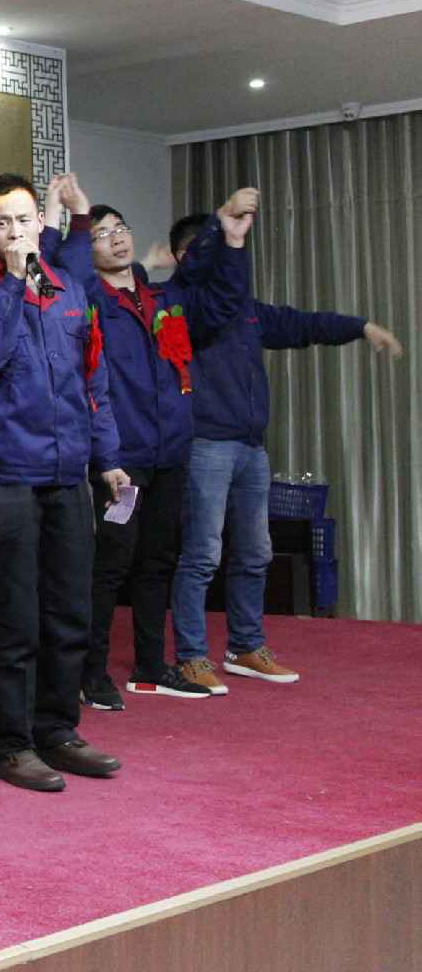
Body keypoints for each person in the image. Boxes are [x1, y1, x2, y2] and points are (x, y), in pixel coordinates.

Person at [167, 194, 403, 691]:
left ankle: (245, 646)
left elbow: (303, 324)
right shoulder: (182, 307)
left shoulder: (247, 312)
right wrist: (223, 233)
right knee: (202, 555)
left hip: (251, 447)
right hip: (206, 445)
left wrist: (361, 327)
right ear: (190, 256)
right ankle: (191, 656)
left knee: (256, 552)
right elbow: (210, 291)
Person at [0, 174, 129, 793]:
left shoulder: (70, 288)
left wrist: (107, 457)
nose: (17, 231)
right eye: (3, 223)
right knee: (12, 618)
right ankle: (10, 744)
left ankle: (57, 730)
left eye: (25, 220)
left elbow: (93, 380)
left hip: (66, 474)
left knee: (69, 612)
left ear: (40, 224)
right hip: (2, 476)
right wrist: (14, 285)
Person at [36, 176, 245, 706]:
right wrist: (74, 214)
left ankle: (151, 667)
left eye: (120, 228)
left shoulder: (161, 298)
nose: (117, 238)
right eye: (102, 234)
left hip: (170, 452)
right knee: (109, 568)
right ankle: (89, 673)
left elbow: (222, 300)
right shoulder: (88, 298)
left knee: (158, 563)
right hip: (119, 460)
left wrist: (230, 238)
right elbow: (58, 268)